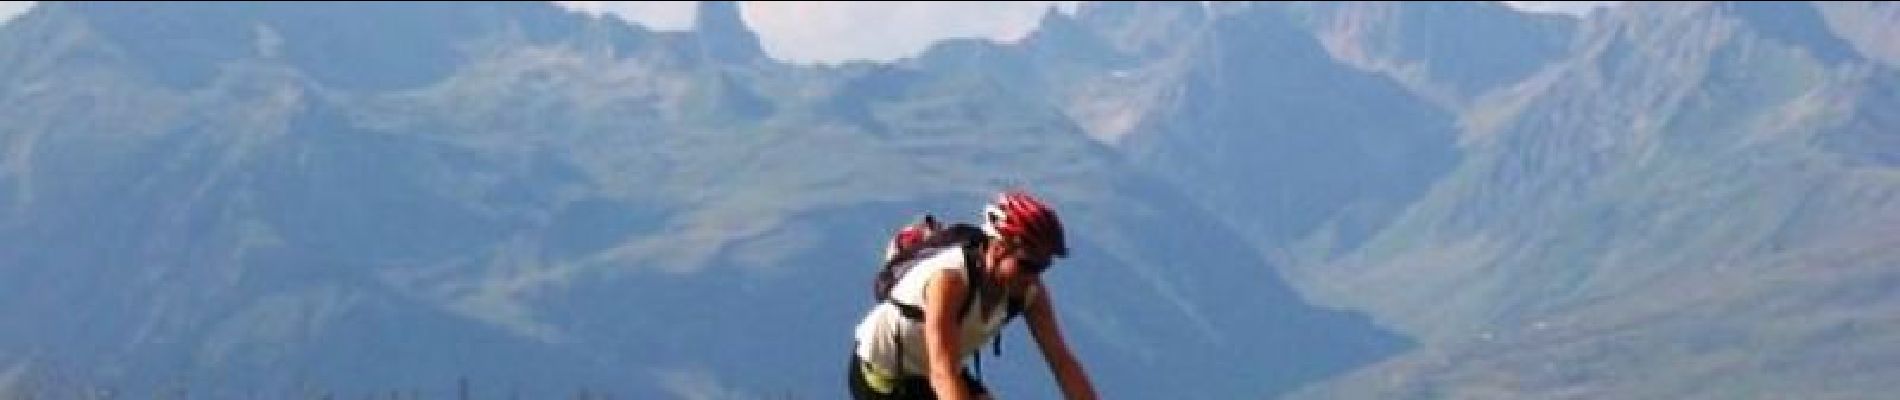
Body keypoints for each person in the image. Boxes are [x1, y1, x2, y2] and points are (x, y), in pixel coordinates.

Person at [848, 190, 1099, 400]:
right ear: (999, 248)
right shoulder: (949, 280)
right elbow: (943, 372)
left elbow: (1062, 362)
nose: (1034, 276)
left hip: (933, 373)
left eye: (1043, 267)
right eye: (1028, 265)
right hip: (884, 378)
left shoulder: (1029, 290)